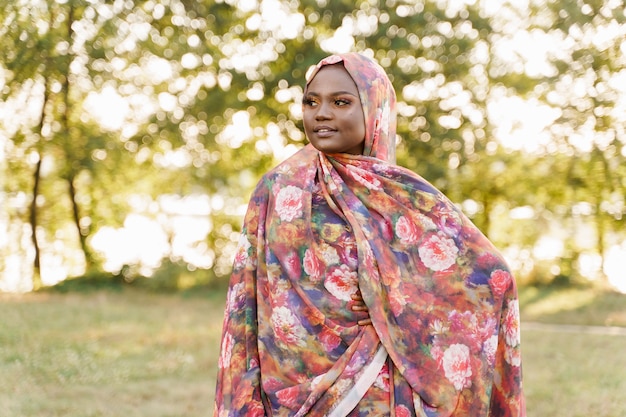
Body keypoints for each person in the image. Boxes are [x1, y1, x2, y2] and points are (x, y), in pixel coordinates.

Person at [214, 52, 525, 417]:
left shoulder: (400, 193)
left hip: (374, 382)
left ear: (375, 109)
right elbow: (246, 295)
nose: (321, 113)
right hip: (287, 383)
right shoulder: (277, 188)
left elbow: (489, 275)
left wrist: (388, 298)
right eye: (311, 102)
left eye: (341, 102)